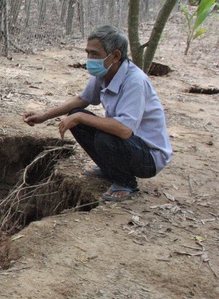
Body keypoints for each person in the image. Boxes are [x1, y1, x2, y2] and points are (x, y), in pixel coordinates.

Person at [22, 26, 172, 201]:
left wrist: (80, 117)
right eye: (87, 53)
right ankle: (110, 169)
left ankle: (126, 182)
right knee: (77, 116)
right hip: (130, 146)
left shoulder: (135, 82)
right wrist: (44, 116)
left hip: (149, 157)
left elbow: (124, 130)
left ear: (115, 56)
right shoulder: (105, 72)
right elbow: (82, 99)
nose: (89, 59)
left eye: (94, 54)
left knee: (102, 135)